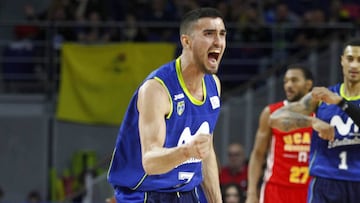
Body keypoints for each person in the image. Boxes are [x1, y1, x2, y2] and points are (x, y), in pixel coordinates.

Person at [107, 7, 226, 203]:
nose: (218, 42)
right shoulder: (157, 89)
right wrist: (188, 151)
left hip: (187, 193)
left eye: (222, 34)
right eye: (208, 34)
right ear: (186, 41)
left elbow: (206, 150)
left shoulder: (214, 84)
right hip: (145, 194)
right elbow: (150, 162)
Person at [269, 38, 360, 203]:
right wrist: (312, 122)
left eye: (359, 60)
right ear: (342, 60)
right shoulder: (321, 96)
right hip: (326, 181)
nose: (354, 65)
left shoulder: (334, 98)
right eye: (350, 59)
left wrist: (340, 102)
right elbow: (275, 118)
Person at [246, 64, 314, 203]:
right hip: (277, 189)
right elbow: (258, 154)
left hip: (310, 189)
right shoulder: (271, 113)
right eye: (286, 81)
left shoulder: (322, 114)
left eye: (294, 80)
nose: (288, 85)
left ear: (308, 84)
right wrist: (252, 192)